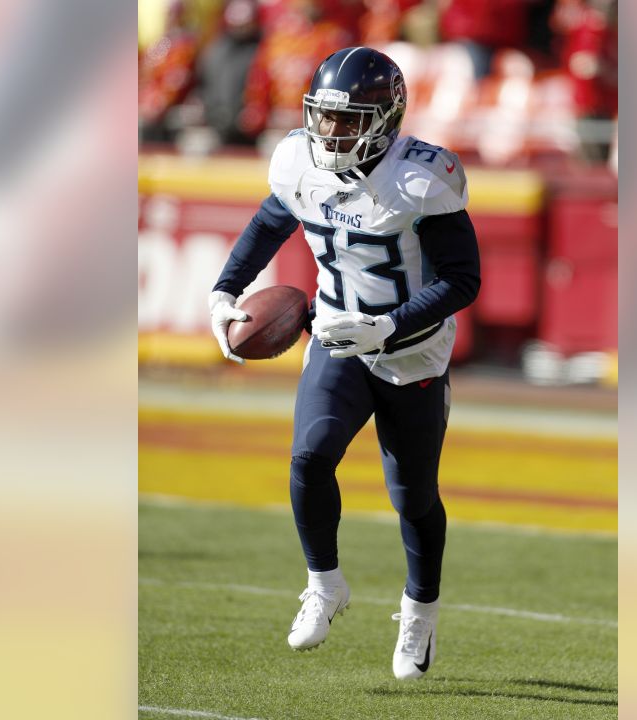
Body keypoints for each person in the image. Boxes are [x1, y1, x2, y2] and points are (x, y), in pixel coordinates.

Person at [207, 46, 480, 680]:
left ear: (386, 118)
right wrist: (225, 290)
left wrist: (387, 326)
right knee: (309, 455)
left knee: (411, 497)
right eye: (323, 118)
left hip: (412, 349)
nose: (331, 133)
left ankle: (420, 613)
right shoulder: (298, 161)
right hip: (334, 336)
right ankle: (325, 584)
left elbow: (463, 281)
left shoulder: (419, 176)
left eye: (348, 119)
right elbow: (269, 223)